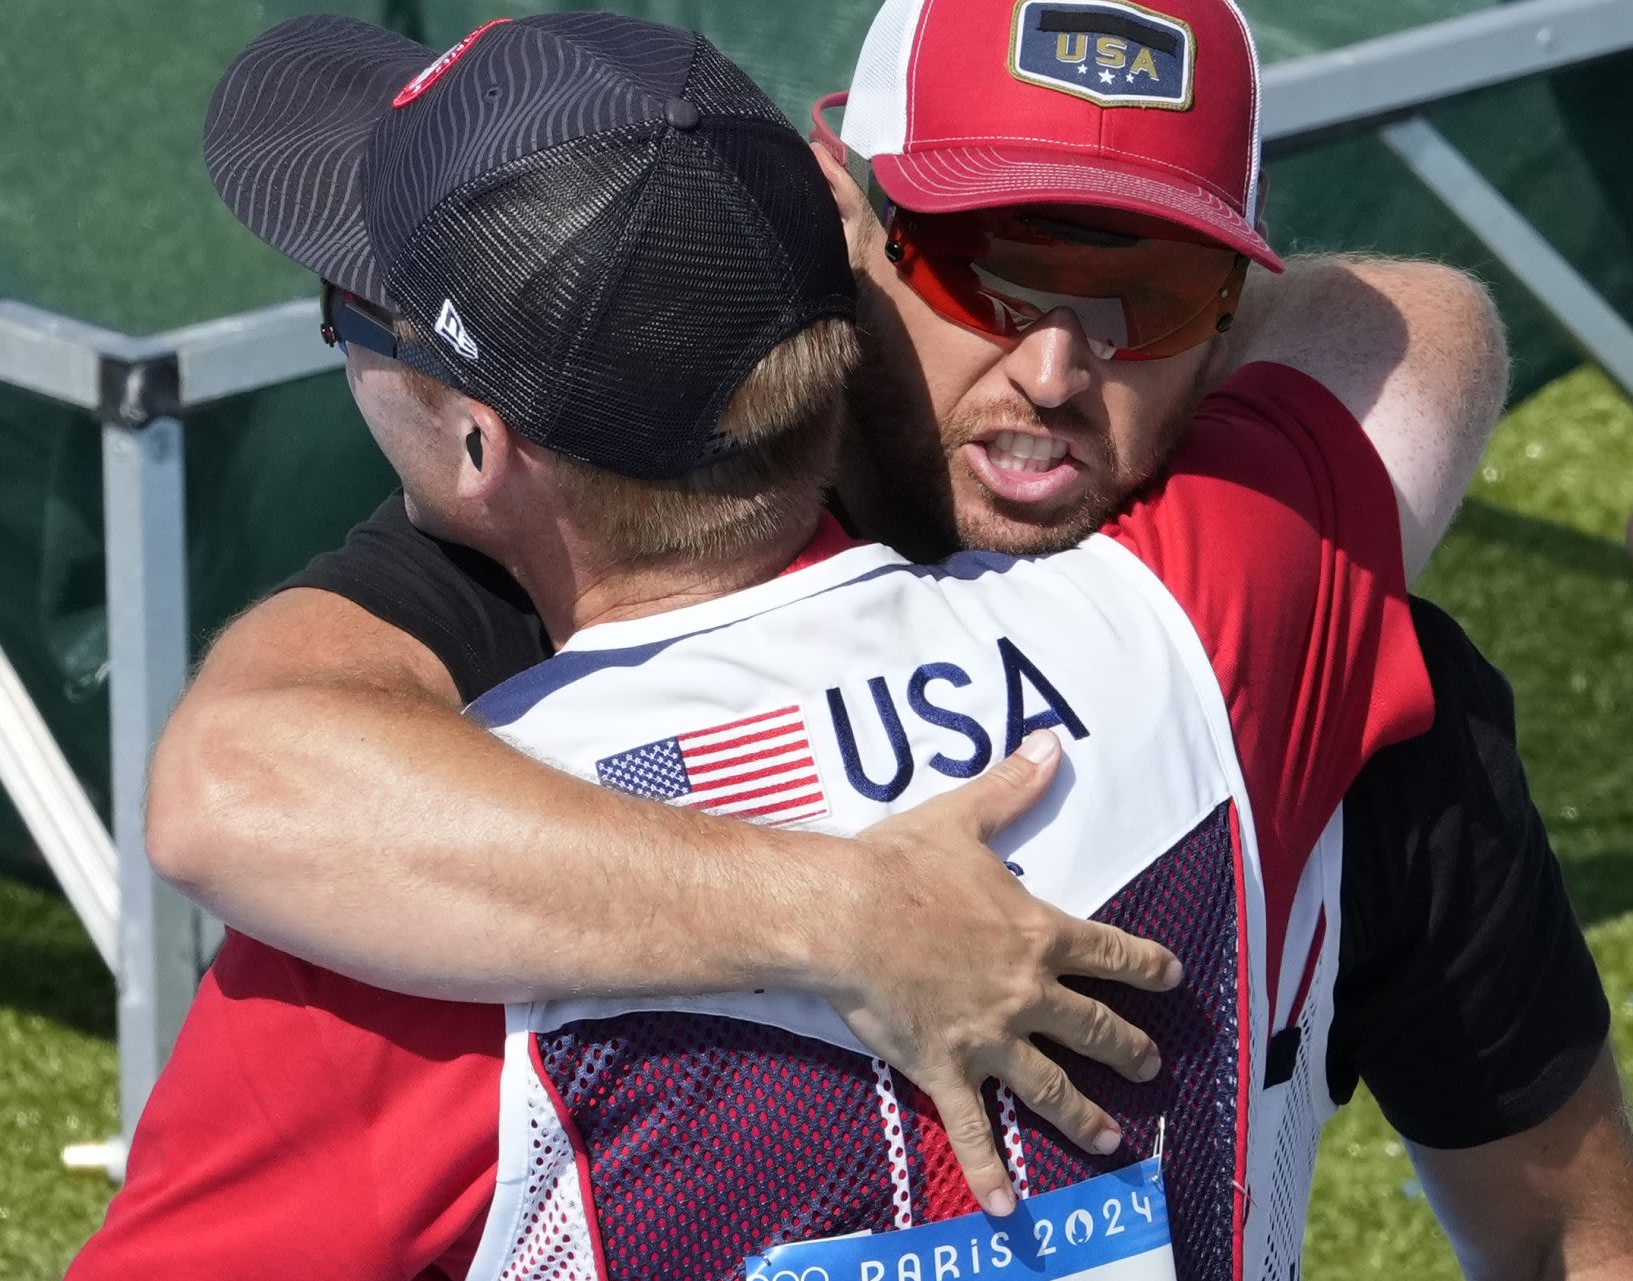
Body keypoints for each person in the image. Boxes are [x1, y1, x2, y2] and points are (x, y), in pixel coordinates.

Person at [137, 0, 1632, 1275]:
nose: (1053, 366)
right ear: (838, 230)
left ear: (484, 447)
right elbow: (1397, 331)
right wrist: (842, 912)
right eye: (982, 266)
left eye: (1153, 293)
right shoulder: (1237, 611)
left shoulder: (411, 896)